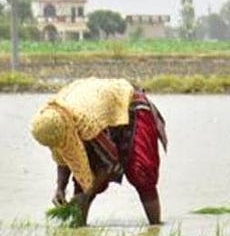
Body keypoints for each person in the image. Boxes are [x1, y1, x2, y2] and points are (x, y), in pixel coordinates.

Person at [30, 78, 169, 227]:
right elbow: (66, 157)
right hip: (97, 105)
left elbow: (109, 162)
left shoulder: (88, 122)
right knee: (82, 178)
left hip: (127, 103)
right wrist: (60, 188)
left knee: (140, 172)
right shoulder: (50, 123)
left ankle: (155, 227)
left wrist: (87, 193)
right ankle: (78, 228)